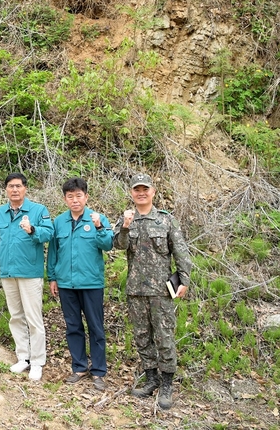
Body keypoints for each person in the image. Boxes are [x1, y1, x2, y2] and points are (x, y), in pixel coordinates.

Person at [112, 173, 192, 410]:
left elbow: (181, 251)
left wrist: (184, 280)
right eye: (136, 189)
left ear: (153, 191)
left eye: (145, 189)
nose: (141, 193)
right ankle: (151, 378)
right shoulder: (126, 219)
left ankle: (167, 383)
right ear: (131, 193)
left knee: (164, 336)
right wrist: (125, 227)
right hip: (136, 290)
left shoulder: (166, 221)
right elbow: (118, 245)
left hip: (161, 291)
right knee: (142, 336)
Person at [47, 178, 113, 391]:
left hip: (91, 283)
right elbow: (54, 252)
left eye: (78, 196)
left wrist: (100, 227)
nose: (74, 200)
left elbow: (108, 245)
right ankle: (79, 367)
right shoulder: (59, 222)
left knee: (96, 327)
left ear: (86, 197)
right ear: (65, 198)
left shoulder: (98, 218)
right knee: (73, 327)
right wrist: (53, 278)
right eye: (70, 196)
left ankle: (99, 371)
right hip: (66, 283)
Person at [0, 172, 54, 381]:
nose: (14, 190)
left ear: (25, 188)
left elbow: (49, 234)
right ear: (6, 190)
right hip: (8, 272)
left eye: (18, 186)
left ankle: (38, 361)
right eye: (10, 186)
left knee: (33, 318)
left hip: (30, 272)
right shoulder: (0, 213)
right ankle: (23, 357)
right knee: (16, 316)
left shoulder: (38, 211)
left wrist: (32, 230)